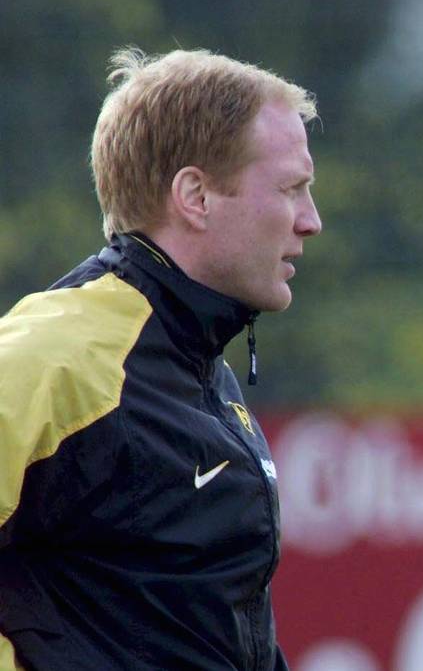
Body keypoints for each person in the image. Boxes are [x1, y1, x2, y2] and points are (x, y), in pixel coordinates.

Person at [0, 47, 321, 670]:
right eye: (291, 188)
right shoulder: (60, 354)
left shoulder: (200, 367)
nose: (311, 220)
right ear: (195, 196)